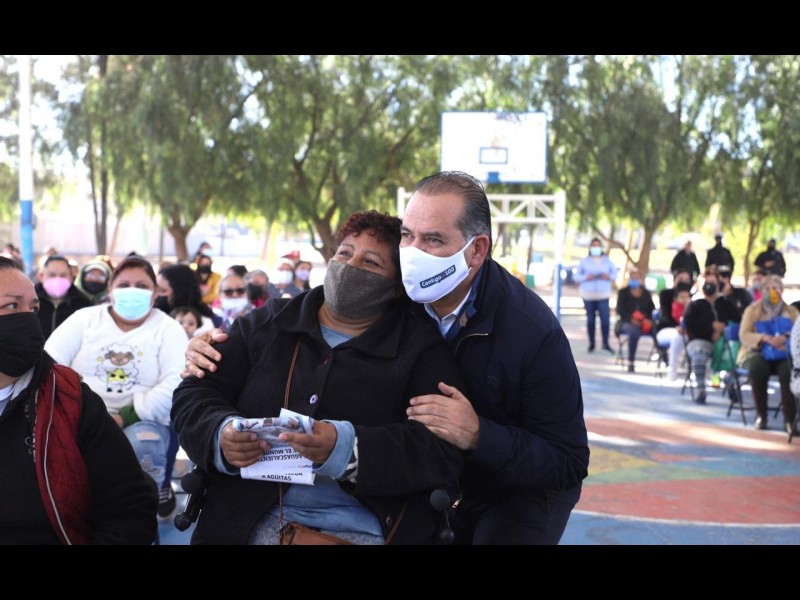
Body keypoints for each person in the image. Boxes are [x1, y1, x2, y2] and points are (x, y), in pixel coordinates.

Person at [184, 171, 590, 545]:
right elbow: (202, 390)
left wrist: (479, 434)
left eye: (433, 240)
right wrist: (202, 356)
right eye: (408, 236)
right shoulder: (397, 297)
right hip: (427, 491)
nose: (414, 252)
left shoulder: (530, 332)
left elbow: (567, 461)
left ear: (476, 250)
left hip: (512, 490)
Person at [172, 210, 466, 545]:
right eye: (344, 253)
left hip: (361, 530)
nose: (350, 266)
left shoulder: (419, 348)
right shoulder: (266, 324)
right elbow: (194, 393)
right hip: (242, 523)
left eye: (371, 262)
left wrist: (347, 449)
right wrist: (219, 435)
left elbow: (439, 449)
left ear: (397, 286)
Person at [0, 256, 158, 544]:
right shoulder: (85, 321)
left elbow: (129, 505)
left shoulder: (70, 400)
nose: (28, 318)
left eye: (33, 308)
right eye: (12, 306)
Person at [44, 255, 188, 519]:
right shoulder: (84, 319)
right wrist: (80, 413)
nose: (132, 291)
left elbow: (175, 383)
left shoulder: (169, 329)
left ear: (155, 292)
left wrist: (124, 417)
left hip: (142, 420)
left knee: (144, 445)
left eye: (141, 286)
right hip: (79, 415)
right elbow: (49, 364)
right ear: (110, 289)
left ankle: (139, 518)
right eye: (123, 285)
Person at [737, 274, 799, 433]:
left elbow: (798, 333)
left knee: (789, 370)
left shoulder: (791, 312)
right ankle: (761, 415)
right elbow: (744, 335)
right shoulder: (752, 311)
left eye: (775, 288)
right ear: (762, 290)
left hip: (783, 353)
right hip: (756, 352)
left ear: (781, 290)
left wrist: (785, 339)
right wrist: (764, 338)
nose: (772, 291)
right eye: (767, 288)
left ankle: (790, 420)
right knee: (758, 367)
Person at [682, 272, 727, 404]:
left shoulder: (724, 303)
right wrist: (710, 327)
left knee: (732, 353)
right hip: (700, 340)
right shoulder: (694, 304)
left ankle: (730, 387)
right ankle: (701, 390)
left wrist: (721, 331)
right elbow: (690, 324)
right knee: (699, 353)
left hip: (723, 342)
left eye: (713, 282)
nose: (710, 285)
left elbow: (736, 320)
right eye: (707, 282)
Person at [573, 237, 617, 354]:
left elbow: (614, 274)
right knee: (591, 320)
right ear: (590, 247)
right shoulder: (584, 261)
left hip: (603, 294)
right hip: (588, 295)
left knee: (605, 320)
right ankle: (592, 343)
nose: (596, 248)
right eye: (594, 246)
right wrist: (586, 277)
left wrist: (608, 276)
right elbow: (576, 276)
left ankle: (605, 344)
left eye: (598, 246)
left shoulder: (607, 261)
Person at [34, 254, 94, 340]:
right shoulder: (29, 301)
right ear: (41, 276)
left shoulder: (83, 304)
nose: (57, 279)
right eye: (52, 275)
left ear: (71, 277)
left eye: (63, 275)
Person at [155, 262, 221, 334]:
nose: (156, 294)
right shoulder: (154, 315)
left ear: (180, 292)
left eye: (163, 290)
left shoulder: (206, 322)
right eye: (155, 289)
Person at [615, 269, 656, 372]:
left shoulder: (646, 293)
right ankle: (631, 362)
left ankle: (665, 359)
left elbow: (651, 309)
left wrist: (649, 320)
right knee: (633, 332)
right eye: (632, 278)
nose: (634, 280)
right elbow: (620, 310)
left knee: (657, 329)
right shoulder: (623, 293)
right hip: (626, 322)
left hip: (644, 322)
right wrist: (631, 319)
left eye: (636, 278)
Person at [655, 278, 693, 381]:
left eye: (687, 297)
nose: (685, 300)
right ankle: (672, 369)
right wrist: (677, 327)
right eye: (682, 297)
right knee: (678, 336)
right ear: (676, 298)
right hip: (666, 332)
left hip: (686, 335)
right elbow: (666, 319)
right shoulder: (671, 308)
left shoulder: (692, 309)